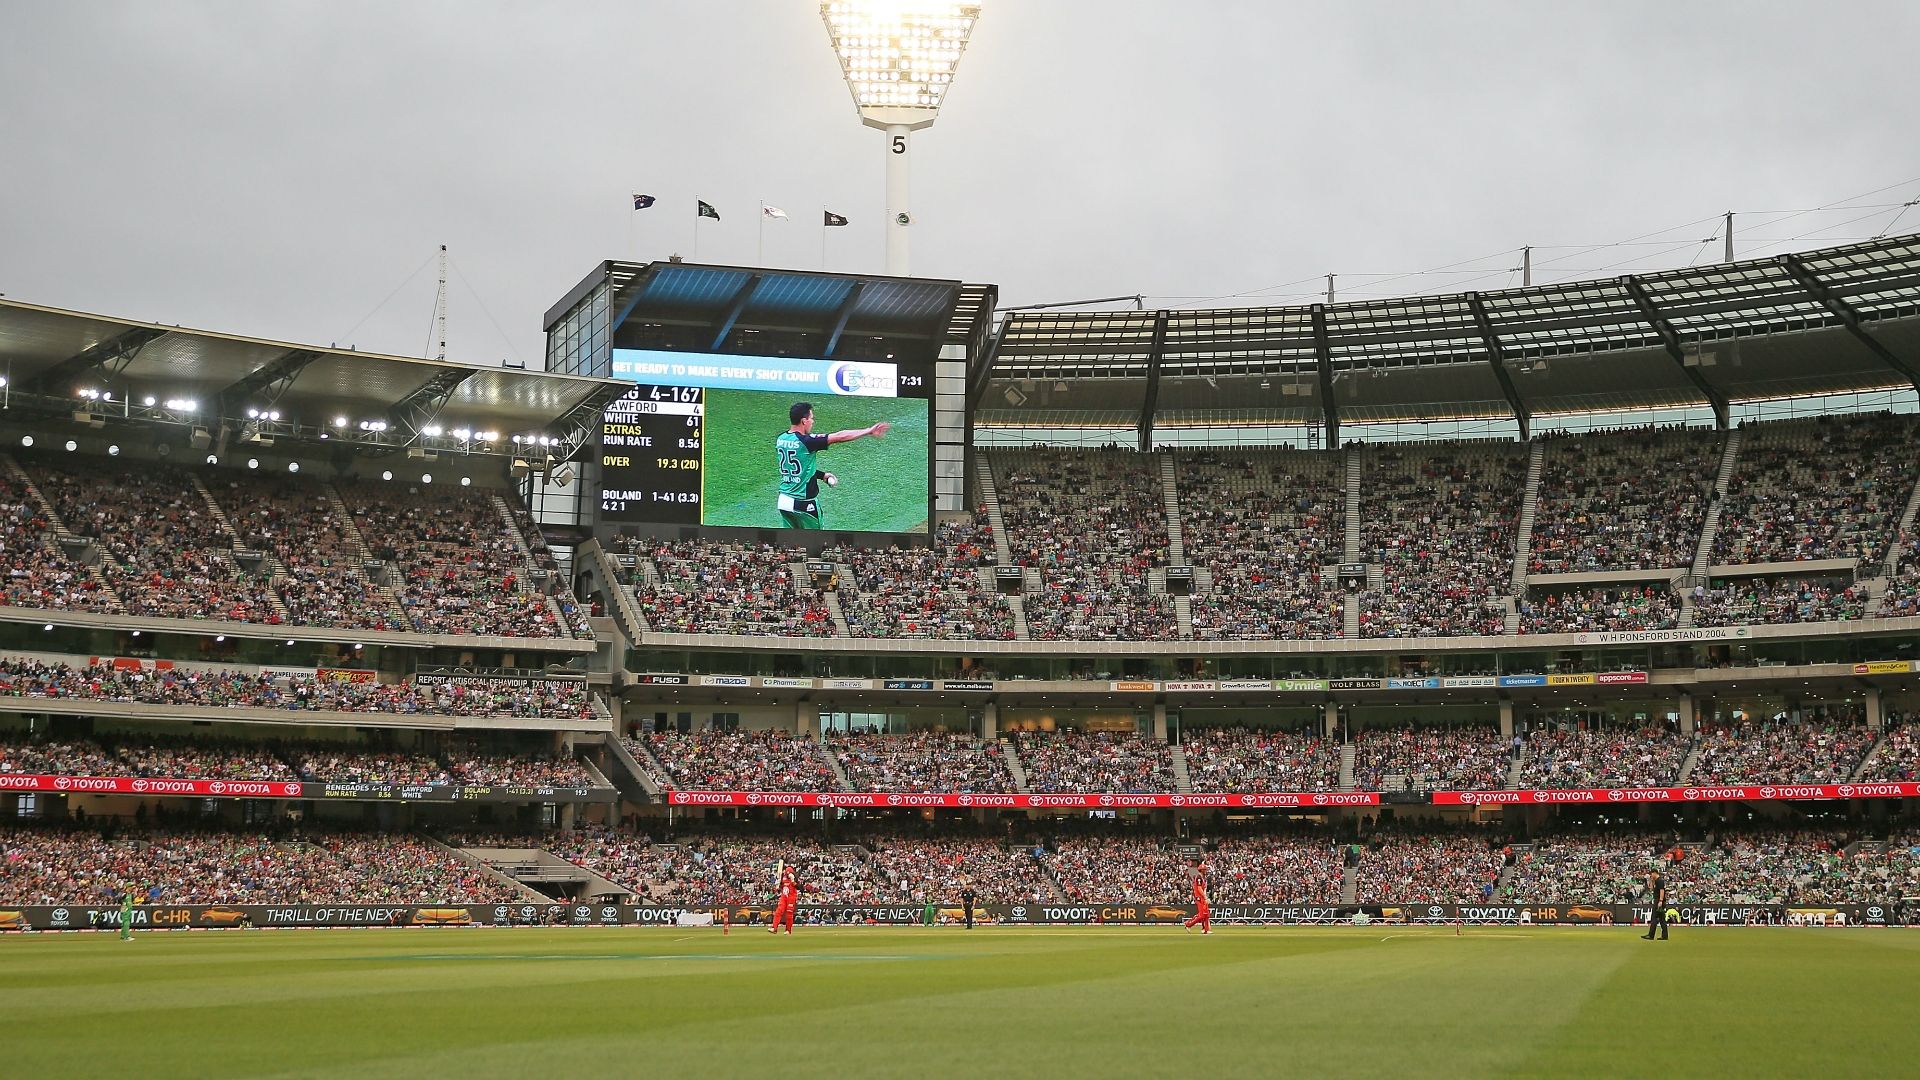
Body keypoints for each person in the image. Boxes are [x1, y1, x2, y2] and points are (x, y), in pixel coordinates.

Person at [775, 402, 890, 529]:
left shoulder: (781, 439)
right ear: (804, 421)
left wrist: (822, 475)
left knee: (791, 543)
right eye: (811, 418)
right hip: (804, 504)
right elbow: (839, 436)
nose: (813, 421)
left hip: (784, 501)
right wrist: (868, 431)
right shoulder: (807, 441)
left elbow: (798, 466)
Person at [769, 865, 798, 935]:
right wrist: (778, 885)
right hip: (784, 897)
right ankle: (774, 928)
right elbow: (781, 887)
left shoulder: (794, 877)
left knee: (789, 914)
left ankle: (788, 930)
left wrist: (793, 881)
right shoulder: (783, 878)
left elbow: (799, 887)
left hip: (791, 897)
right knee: (778, 912)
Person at [1642, 868, 1670, 941]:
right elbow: (1651, 888)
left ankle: (1651, 935)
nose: (1651, 875)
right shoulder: (1656, 881)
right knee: (1662, 919)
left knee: (1654, 918)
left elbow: (1662, 891)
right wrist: (1651, 880)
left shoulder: (1660, 881)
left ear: (1654, 873)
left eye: (1651, 874)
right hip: (1658, 900)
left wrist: (1660, 901)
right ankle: (1665, 935)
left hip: (1659, 901)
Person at [1183, 865, 1212, 934]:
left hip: (1202, 897)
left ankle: (1205, 929)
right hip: (1199, 898)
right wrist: (1205, 897)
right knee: (1202, 915)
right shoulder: (1199, 877)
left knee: (1206, 914)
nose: (1206, 871)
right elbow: (1199, 888)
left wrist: (1206, 897)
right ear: (1201, 870)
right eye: (1205, 870)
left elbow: (1204, 888)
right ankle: (1188, 924)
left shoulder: (1203, 878)